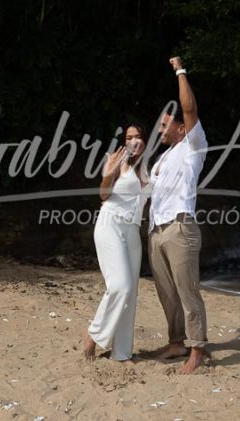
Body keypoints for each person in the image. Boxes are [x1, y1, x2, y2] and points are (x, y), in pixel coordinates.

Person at [148, 56, 208, 374]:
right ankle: (176, 342)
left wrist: (180, 71)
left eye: (165, 124)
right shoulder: (162, 159)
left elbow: (189, 108)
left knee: (187, 290)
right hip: (157, 230)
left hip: (181, 227)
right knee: (167, 292)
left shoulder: (193, 146)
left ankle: (197, 349)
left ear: (181, 129)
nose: (160, 128)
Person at [83, 123, 150, 365]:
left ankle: (121, 353)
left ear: (145, 140)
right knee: (119, 285)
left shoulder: (150, 167)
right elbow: (103, 194)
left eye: (138, 137)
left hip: (132, 230)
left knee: (130, 293)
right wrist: (109, 172)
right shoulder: (116, 160)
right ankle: (94, 333)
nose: (134, 141)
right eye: (129, 137)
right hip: (110, 223)